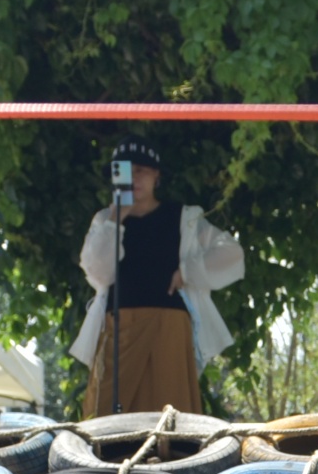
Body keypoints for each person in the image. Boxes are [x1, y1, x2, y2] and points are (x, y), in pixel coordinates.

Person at [75, 141, 246, 418]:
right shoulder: (105, 219)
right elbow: (97, 272)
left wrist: (187, 271)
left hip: (169, 326)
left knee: (171, 412)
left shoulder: (184, 218)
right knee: (105, 415)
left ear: (157, 176)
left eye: (142, 171)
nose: (135, 178)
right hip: (119, 326)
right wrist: (116, 219)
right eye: (127, 172)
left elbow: (231, 253)